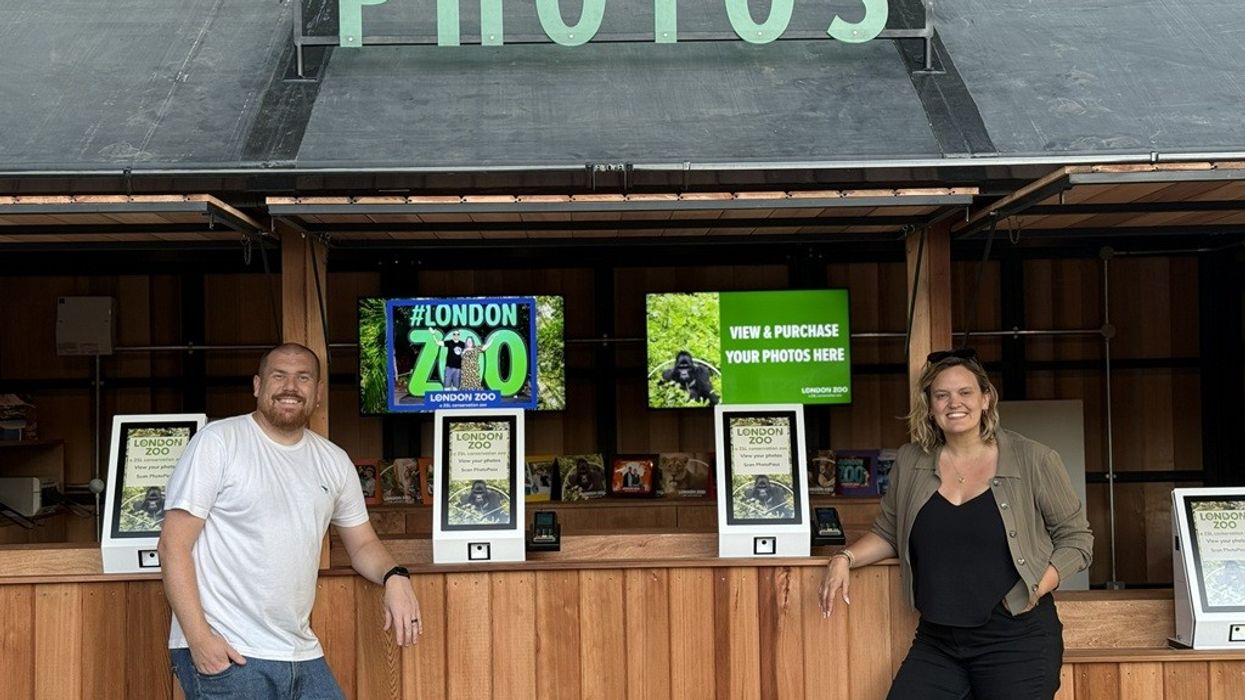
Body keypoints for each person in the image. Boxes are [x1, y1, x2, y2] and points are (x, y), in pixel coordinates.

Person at [819, 348, 1092, 700]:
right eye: (942, 395)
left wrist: (1037, 586)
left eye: (965, 392)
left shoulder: (1033, 459)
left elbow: (1077, 539)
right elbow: (888, 531)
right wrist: (844, 558)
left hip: (1016, 639)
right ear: (929, 405)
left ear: (986, 398)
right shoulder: (911, 461)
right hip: (938, 640)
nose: (954, 403)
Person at [159, 343, 423, 700]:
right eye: (278, 376)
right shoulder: (219, 442)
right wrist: (199, 639)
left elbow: (362, 544)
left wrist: (395, 576)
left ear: (317, 393)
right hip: (230, 650)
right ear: (257, 385)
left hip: (300, 652)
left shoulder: (333, 460)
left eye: (303, 378)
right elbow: (173, 546)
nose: (290, 387)